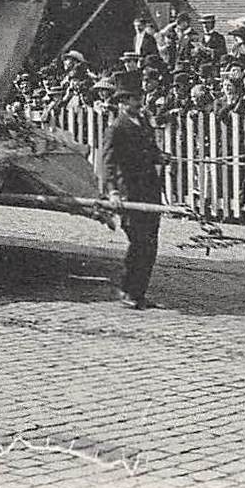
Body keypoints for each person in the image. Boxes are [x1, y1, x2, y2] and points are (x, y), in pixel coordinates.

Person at [99, 72, 165, 310]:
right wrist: (113, 192)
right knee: (138, 242)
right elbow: (106, 162)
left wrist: (162, 157)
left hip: (150, 191)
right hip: (130, 193)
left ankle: (139, 293)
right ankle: (128, 290)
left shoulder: (145, 122)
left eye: (141, 97)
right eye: (136, 99)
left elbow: (152, 150)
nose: (141, 102)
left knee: (151, 243)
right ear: (123, 102)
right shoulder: (116, 128)